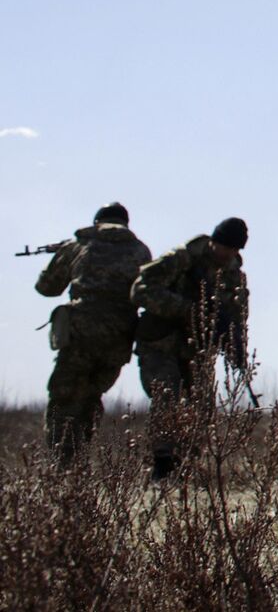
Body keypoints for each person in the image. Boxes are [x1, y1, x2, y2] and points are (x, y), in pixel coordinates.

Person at [131, 216, 251, 479]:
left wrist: (236, 346)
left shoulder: (233, 276)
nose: (227, 254)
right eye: (224, 247)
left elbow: (236, 316)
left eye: (233, 250)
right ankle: (162, 467)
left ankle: (186, 467)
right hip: (161, 341)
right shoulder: (182, 258)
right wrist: (187, 310)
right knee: (167, 396)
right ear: (213, 242)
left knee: (202, 406)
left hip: (196, 349)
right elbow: (141, 289)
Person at [33, 202, 151, 463]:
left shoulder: (81, 244)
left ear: (98, 220)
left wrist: (61, 256)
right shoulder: (141, 251)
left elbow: (46, 287)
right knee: (91, 397)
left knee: (64, 398)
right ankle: (79, 465)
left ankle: (61, 467)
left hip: (80, 336)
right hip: (118, 342)